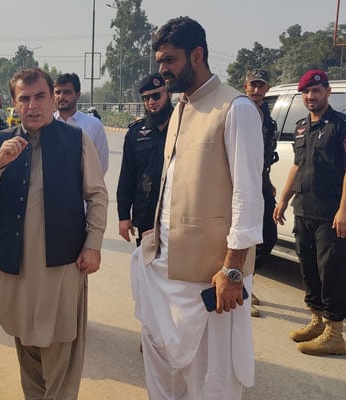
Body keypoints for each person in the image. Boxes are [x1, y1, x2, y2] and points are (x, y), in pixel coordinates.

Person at [131, 17, 264, 399]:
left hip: (212, 276)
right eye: (159, 61)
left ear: (198, 54)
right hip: (167, 268)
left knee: (211, 378)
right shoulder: (181, 108)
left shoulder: (235, 108)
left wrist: (233, 269)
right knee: (165, 368)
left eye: (169, 60)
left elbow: (247, 196)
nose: (162, 70)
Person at [0, 68, 108, 399]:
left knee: (61, 345)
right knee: (25, 339)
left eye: (40, 96)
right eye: (24, 98)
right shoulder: (2, 140)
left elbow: (97, 195)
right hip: (16, 265)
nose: (33, 106)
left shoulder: (75, 140)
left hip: (61, 264)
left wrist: (94, 245)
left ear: (53, 99)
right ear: (14, 103)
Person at [274, 69, 346, 356]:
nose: (310, 96)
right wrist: (282, 199)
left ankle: (334, 332)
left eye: (316, 91)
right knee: (309, 267)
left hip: (329, 213)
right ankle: (316, 320)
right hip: (303, 210)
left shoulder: (340, 126)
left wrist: (343, 210)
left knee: (332, 271)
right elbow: (296, 165)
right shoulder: (302, 126)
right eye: (305, 92)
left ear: (327, 92)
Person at [117, 73, 173, 247]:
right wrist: (124, 216)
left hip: (176, 214)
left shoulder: (184, 125)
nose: (151, 102)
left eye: (156, 96)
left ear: (169, 94)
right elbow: (127, 176)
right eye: (146, 98)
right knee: (147, 267)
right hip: (146, 213)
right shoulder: (135, 133)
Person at [243, 69, 279, 318]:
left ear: (267, 89)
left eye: (261, 86)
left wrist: (268, 181)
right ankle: (242, 289)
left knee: (268, 236)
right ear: (245, 87)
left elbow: (266, 154)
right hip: (242, 184)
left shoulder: (268, 117)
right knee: (242, 236)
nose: (257, 90)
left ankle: (248, 281)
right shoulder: (238, 112)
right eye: (253, 85)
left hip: (261, 183)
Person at [53, 72, 110, 174]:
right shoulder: (46, 123)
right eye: (57, 92)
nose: (61, 97)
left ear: (78, 95)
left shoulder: (94, 125)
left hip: (82, 188)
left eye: (67, 92)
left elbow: (102, 164)